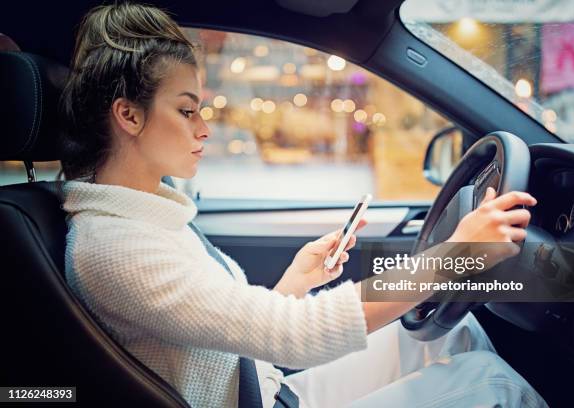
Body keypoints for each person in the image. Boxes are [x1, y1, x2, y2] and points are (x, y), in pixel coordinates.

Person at [59, 3, 546, 407]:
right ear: (128, 115)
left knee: (450, 338)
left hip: (271, 389)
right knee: (493, 383)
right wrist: (455, 256)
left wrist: (297, 280)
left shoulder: (144, 216)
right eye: (187, 110)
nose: (203, 128)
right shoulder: (114, 246)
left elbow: (229, 329)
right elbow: (293, 333)